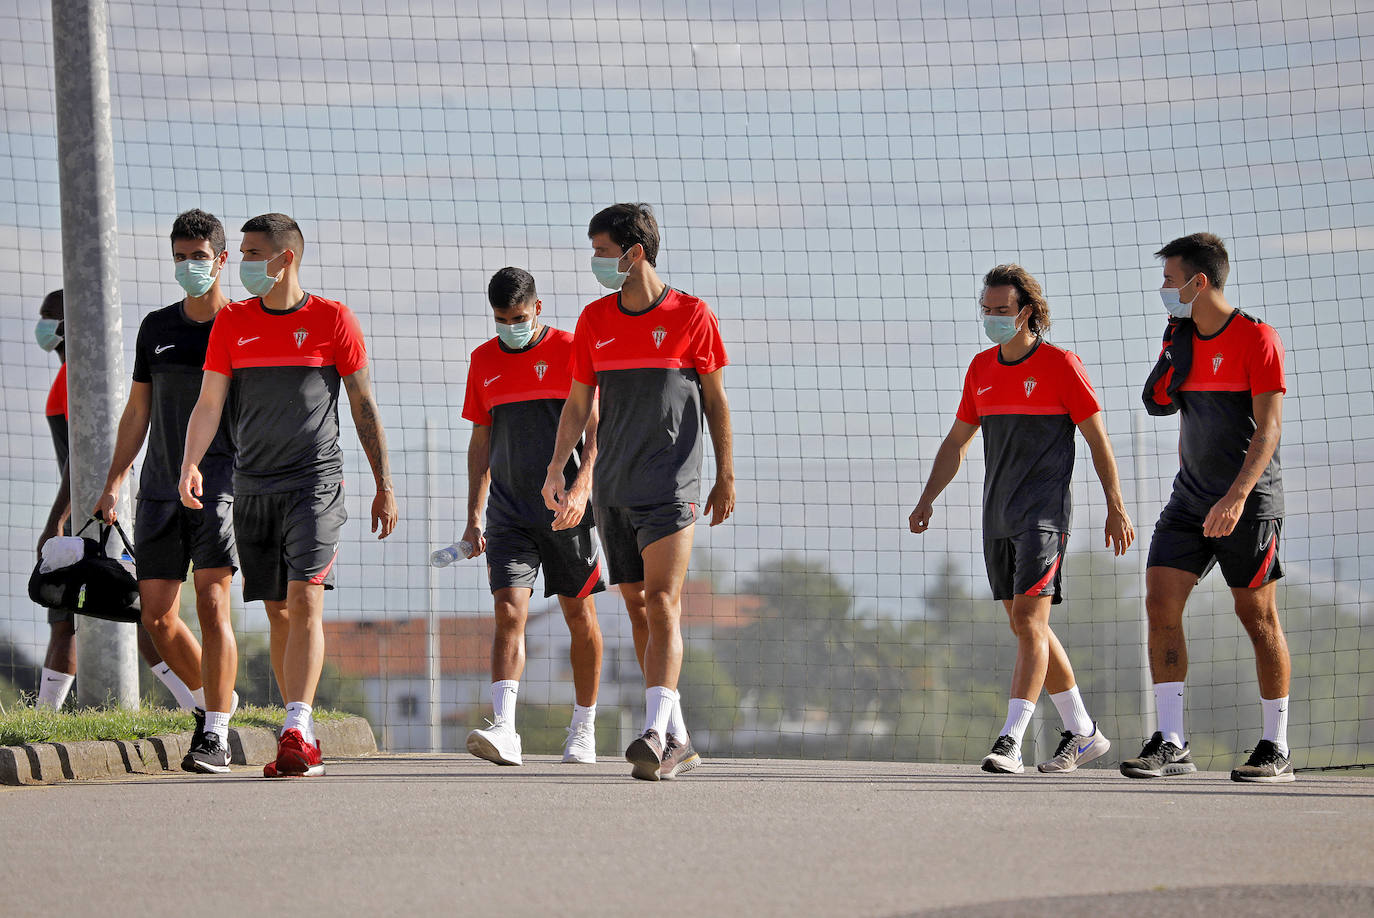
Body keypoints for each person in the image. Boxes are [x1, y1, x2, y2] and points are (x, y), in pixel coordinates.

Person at [180, 213, 398, 778]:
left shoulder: (332, 319)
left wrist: (384, 484)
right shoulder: (231, 324)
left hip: (315, 484)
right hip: (253, 486)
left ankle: (298, 729)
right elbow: (208, 404)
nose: (244, 263)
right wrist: (191, 463)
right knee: (277, 610)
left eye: (253, 253)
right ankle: (293, 725)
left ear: (286, 259)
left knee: (305, 600)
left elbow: (362, 403)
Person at [909, 264, 1134, 775]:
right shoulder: (981, 369)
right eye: (986, 311)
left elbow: (1098, 442)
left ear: (1027, 312)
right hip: (998, 516)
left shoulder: (1061, 365)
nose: (992, 319)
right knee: (1022, 622)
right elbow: (956, 442)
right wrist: (928, 498)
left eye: (1001, 311)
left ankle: (1011, 738)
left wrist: (1114, 506)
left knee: (1031, 622)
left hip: (1044, 517)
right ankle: (1083, 731)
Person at [543, 203, 735, 781]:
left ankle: (653, 730)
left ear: (634, 252)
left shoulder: (692, 315)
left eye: (602, 251)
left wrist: (725, 474)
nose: (595, 261)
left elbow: (716, 401)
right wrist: (557, 466)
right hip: (613, 489)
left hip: (672, 486)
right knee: (634, 606)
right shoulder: (594, 321)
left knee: (663, 602)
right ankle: (677, 738)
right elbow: (579, 404)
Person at [1122, 233, 1293, 783]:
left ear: (1200, 281)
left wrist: (1237, 496)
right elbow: (1164, 406)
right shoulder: (1181, 335)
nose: (1164, 290)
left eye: (1170, 280)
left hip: (1249, 500)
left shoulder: (1257, 338)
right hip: (1188, 499)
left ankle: (1275, 746)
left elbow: (1268, 430)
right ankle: (1171, 742)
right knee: (1159, 602)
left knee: (1257, 615)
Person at [93, 210, 241, 774]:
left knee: (212, 601)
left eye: (199, 256)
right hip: (157, 488)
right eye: (180, 257)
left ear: (221, 259)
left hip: (221, 486)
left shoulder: (242, 327)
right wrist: (114, 481)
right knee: (156, 617)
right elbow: (137, 410)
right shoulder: (157, 328)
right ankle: (215, 707)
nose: (188, 266)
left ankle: (217, 733)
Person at [460, 267, 605, 766]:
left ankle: (583, 728)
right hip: (507, 513)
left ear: (537, 309)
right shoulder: (482, 361)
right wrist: (474, 515)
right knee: (507, 612)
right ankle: (505, 729)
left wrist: (583, 487)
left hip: (565, 511)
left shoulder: (570, 349)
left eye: (518, 317)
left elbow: (594, 431)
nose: (510, 326)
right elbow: (480, 443)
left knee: (578, 614)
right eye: (501, 319)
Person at [34, 290, 191, 711]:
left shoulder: (76, 380)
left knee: (137, 605)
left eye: (50, 317)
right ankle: (46, 714)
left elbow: (81, 458)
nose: (43, 326)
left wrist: (56, 522)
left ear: (71, 324)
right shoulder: (66, 378)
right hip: (96, 504)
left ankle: (197, 699)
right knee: (70, 607)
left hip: (100, 507)